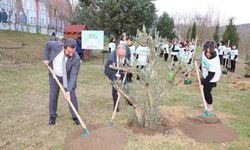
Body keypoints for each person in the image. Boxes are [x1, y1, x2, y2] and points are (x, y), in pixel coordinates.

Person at [43, 38, 81, 125]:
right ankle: (52, 115)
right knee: (53, 95)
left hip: (66, 77)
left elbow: (73, 76)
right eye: (69, 52)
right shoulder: (56, 46)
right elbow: (47, 45)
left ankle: (75, 116)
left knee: (71, 96)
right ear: (64, 47)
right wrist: (46, 58)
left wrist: (68, 90)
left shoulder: (76, 59)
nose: (71, 54)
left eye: (73, 52)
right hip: (54, 75)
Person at [104, 45, 131, 112]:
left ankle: (129, 101)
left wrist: (127, 68)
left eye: (123, 55)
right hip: (113, 71)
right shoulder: (111, 58)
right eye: (120, 55)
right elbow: (107, 70)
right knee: (115, 88)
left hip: (123, 69)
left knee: (126, 85)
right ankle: (116, 105)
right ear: (116, 53)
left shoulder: (127, 50)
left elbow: (128, 59)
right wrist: (115, 80)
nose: (121, 57)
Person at [200, 41, 221, 112]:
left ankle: (209, 105)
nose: (208, 54)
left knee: (207, 91)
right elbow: (203, 61)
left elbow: (211, 75)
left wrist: (203, 82)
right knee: (203, 90)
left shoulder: (214, 61)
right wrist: (200, 67)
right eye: (207, 52)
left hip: (213, 76)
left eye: (210, 52)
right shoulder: (204, 53)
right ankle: (205, 102)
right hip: (206, 73)